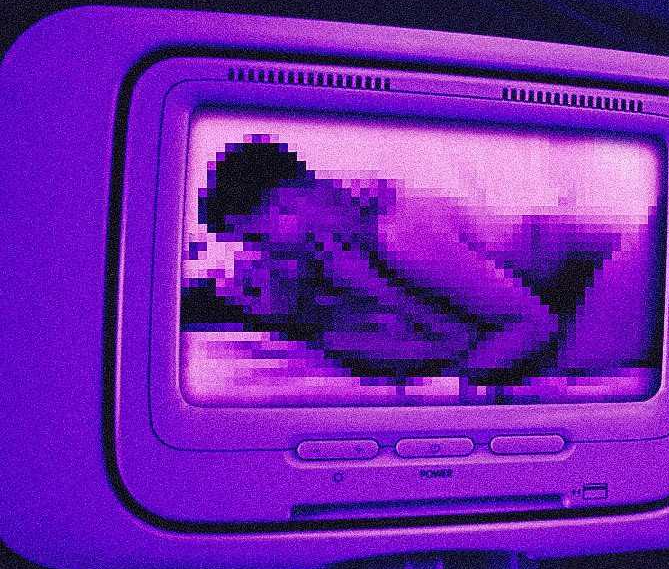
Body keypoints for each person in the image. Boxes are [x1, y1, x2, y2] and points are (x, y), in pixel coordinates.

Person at [190, 140, 563, 386]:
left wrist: (449, 396)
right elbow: (458, 332)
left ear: (286, 204)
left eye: (259, 238)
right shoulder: (345, 250)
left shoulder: (401, 231)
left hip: (588, 276)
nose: (267, 254)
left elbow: (532, 322)